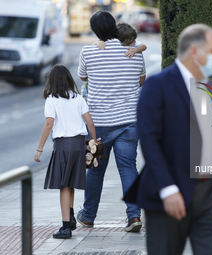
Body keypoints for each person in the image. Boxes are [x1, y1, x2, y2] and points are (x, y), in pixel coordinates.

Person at [124, 24, 212, 255]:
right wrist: (167, 189)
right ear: (195, 51)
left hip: (211, 192)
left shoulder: (211, 87)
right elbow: (149, 140)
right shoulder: (157, 85)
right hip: (170, 192)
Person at [77, 11, 146, 232]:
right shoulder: (133, 51)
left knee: (96, 170)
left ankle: (88, 217)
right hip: (129, 121)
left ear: (95, 30)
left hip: (99, 125)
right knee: (128, 167)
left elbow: (84, 78)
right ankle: (134, 216)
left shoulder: (88, 51)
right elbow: (141, 80)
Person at [34, 64, 97, 239]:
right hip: (78, 144)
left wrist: (39, 149)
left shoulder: (52, 99)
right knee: (70, 182)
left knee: (64, 185)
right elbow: (90, 123)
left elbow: (49, 124)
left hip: (63, 145)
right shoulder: (77, 98)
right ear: (69, 79)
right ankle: (69, 217)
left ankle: (65, 228)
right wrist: (94, 142)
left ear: (51, 81)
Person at [82, 22, 147, 103]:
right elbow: (141, 81)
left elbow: (144, 46)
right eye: (132, 41)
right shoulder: (138, 55)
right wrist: (98, 42)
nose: (134, 42)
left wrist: (135, 50)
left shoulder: (134, 48)